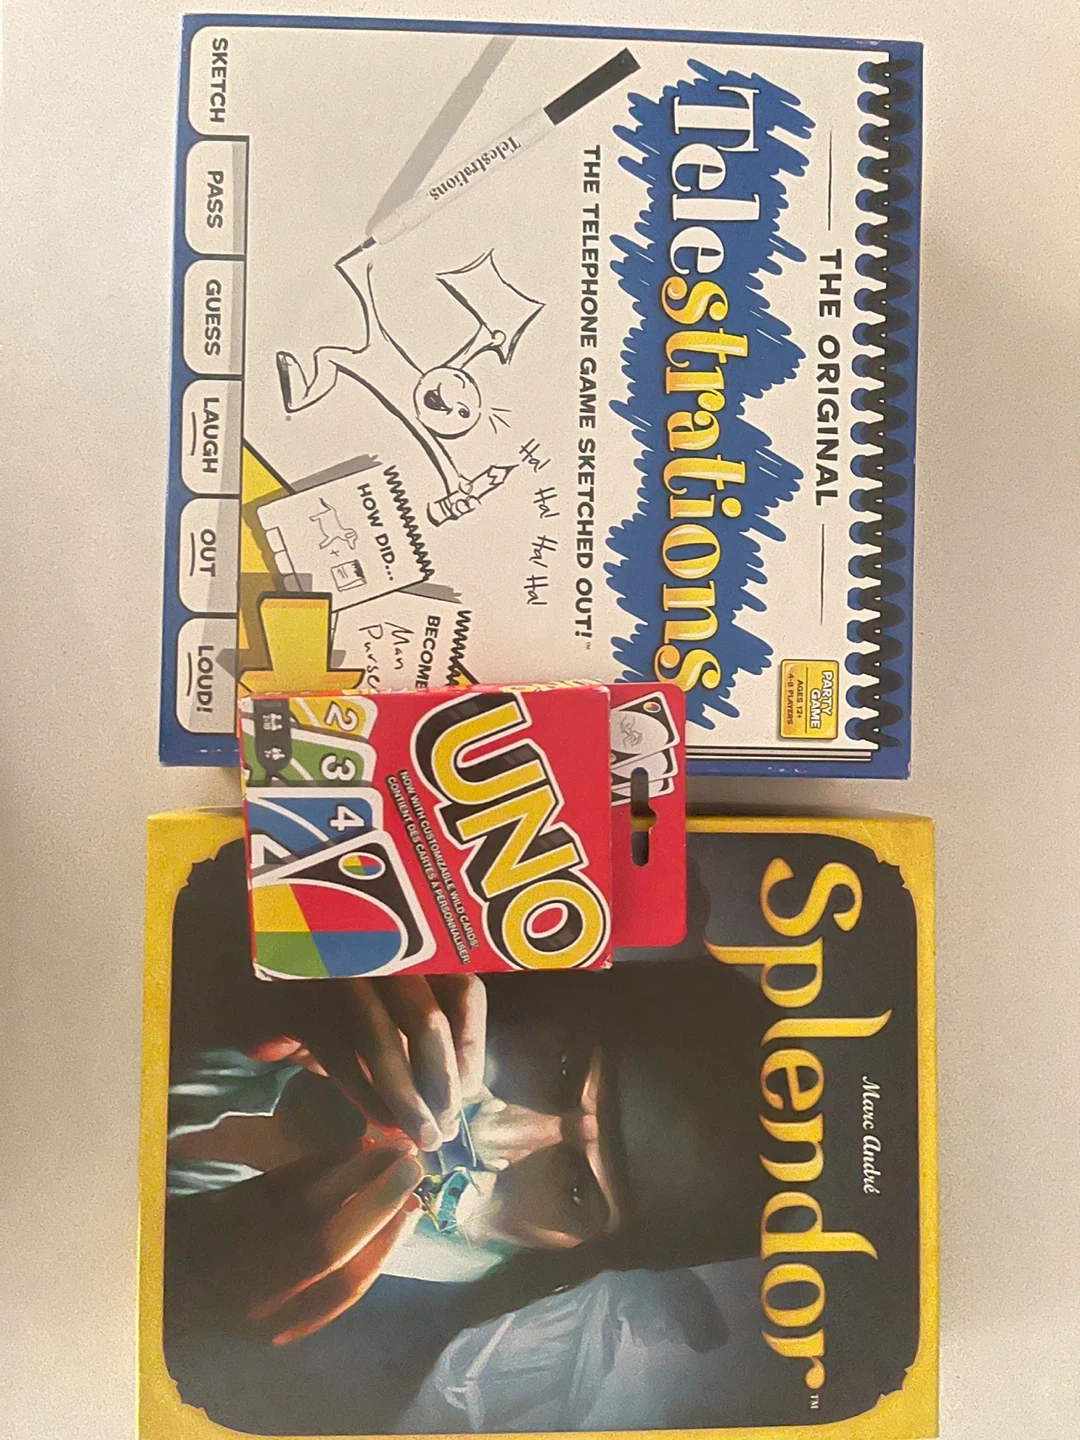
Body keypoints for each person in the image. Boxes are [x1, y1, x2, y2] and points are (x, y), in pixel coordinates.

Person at [164, 840, 775, 1428]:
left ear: (576, 1257)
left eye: (575, 1192)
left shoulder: (344, 1389)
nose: (491, 1134)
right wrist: (257, 961)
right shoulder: (347, 926)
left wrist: (195, 1304)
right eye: (561, 1072)